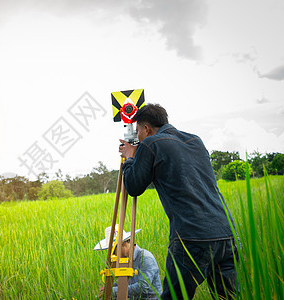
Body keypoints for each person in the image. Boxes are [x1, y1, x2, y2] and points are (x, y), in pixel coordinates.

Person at [118, 104, 239, 299]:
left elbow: (133, 187)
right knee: (227, 297)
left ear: (146, 128)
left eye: (138, 130)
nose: (138, 135)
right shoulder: (195, 140)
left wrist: (131, 157)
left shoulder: (151, 144)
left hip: (191, 236)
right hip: (227, 234)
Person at [94, 225, 162, 299]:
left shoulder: (146, 258)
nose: (114, 255)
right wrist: (108, 288)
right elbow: (124, 282)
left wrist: (112, 291)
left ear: (123, 244)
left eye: (114, 252)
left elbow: (143, 287)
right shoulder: (125, 260)